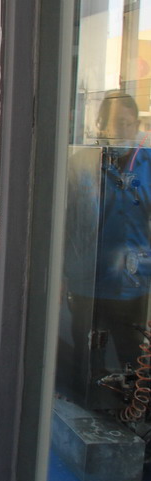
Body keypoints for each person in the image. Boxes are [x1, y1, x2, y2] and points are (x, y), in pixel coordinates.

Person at [64, 91, 151, 409]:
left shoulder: (148, 164)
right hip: (87, 282)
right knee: (87, 358)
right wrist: (61, 275)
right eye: (110, 123)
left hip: (133, 286)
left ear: (136, 124)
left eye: (124, 123)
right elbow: (65, 223)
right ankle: (88, 410)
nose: (116, 131)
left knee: (133, 360)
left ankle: (128, 419)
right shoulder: (81, 163)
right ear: (99, 124)